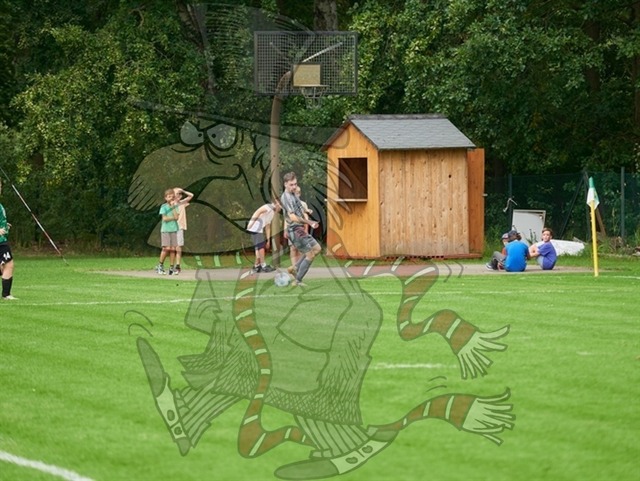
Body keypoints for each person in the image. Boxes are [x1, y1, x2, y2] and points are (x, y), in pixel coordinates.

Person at [280, 172, 320, 286]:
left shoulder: (293, 194)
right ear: (285, 184)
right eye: (291, 184)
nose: (294, 187)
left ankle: (295, 267)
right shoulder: (286, 198)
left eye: (295, 184)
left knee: (317, 249)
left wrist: (307, 211)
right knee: (310, 255)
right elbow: (292, 217)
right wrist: (309, 222)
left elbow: (299, 207)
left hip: (300, 229)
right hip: (294, 230)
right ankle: (297, 281)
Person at [246, 199, 281, 273]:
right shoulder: (269, 206)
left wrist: (268, 240)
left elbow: (267, 226)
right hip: (255, 228)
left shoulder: (272, 213)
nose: (280, 208)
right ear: (276, 204)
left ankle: (257, 266)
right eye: (280, 205)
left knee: (258, 248)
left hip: (259, 229)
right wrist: (251, 224)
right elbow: (258, 212)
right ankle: (263, 265)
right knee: (261, 247)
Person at [286, 186, 313, 267]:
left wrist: (306, 229)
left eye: (297, 193)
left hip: (300, 228)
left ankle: (299, 265)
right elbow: (286, 218)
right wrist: (285, 230)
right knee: (293, 248)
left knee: (301, 248)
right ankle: (294, 266)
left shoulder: (303, 204)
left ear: (299, 194)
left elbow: (306, 218)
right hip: (291, 229)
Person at [156, 188, 180, 275]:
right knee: (166, 248)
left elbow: (177, 217)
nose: (171, 198)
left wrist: (173, 207)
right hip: (166, 230)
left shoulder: (175, 206)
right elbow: (165, 218)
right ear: (166, 198)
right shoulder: (164, 207)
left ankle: (171, 268)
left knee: (173, 249)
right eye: (169, 197)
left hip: (174, 229)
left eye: (172, 197)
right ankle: (160, 266)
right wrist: (173, 217)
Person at [0, 181, 17, 300]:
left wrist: (5, 225)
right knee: (6, 265)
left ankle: (6, 294)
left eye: (0, 186)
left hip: (2, 240)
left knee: (8, 264)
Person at [172, 187, 194, 275]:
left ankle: (177, 265)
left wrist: (183, 191)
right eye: (176, 194)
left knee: (178, 246)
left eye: (179, 194)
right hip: (171, 227)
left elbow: (191, 195)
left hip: (179, 227)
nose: (177, 196)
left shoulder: (182, 203)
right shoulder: (171, 204)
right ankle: (170, 265)